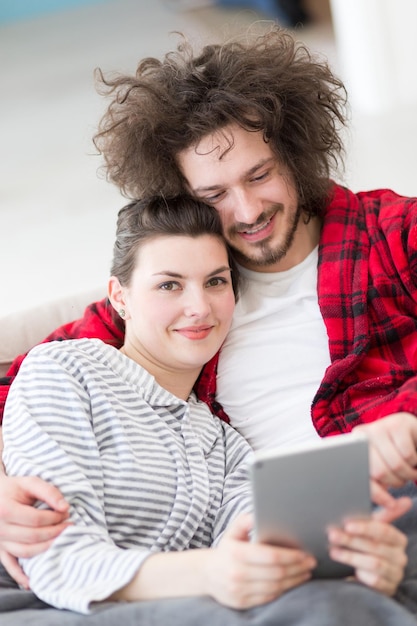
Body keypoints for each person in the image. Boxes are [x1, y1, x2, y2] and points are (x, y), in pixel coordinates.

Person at [1, 23, 417, 622]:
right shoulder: (172, 303)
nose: (247, 212)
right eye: (214, 194)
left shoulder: (391, 236)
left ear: (297, 155)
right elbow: (22, 388)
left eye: (259, 175)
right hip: (288, 538)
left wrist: (405, 419)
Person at [1, 194, 409, 625]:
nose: (199, 308)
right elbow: (54, 560)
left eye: (215, 282)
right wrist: (209, 571)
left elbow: (259, 548)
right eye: (169, 284)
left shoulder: (225, 443)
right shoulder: (65, 370)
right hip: (43, 603)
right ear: (119, 297)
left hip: (179, 608)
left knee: (341, 603)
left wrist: (356, 565)